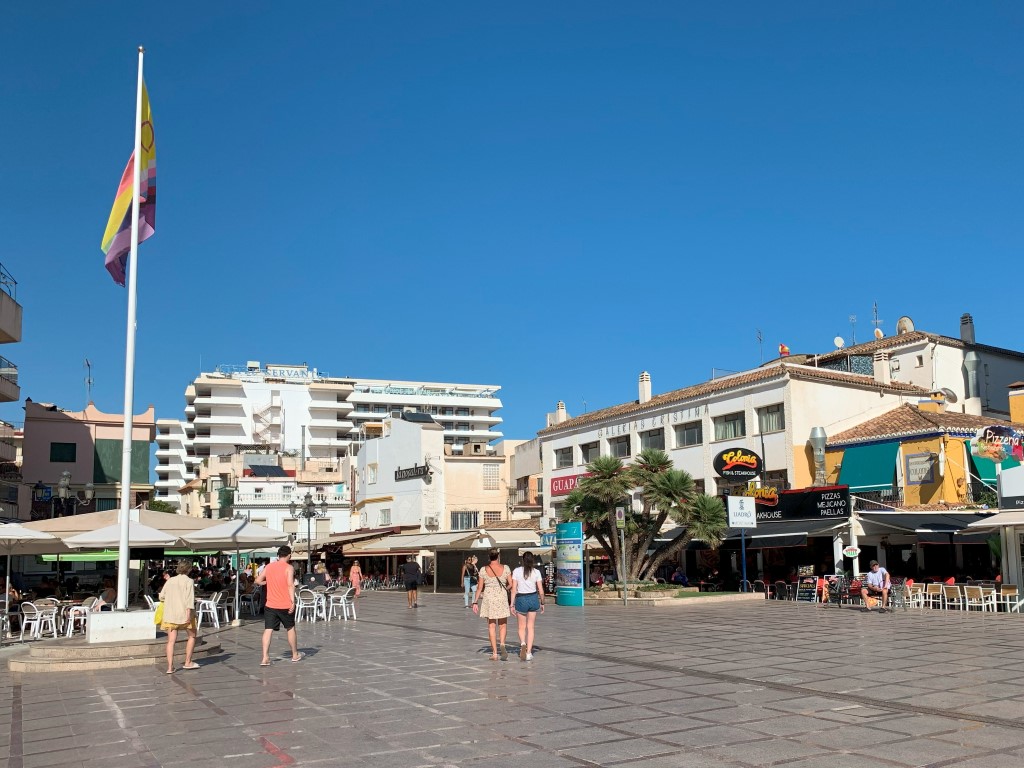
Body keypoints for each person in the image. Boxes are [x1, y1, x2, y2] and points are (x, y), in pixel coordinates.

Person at [255, 546, 303, 666]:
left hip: (270, 604)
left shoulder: (269, 566)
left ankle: (265, 657)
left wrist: (267, 582)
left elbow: (257, 581)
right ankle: (294, 654)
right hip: (284, 604)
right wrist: (293, 601)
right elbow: (290, 585)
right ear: (289, 555)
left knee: (268, 629)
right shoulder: (289, 567)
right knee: (290, 628)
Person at [159, 560, 200, 674]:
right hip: (185, 613)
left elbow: (162, 596)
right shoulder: (189, 581)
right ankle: (188, 661)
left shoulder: (170, 580)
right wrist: (188, 615)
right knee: (192, 636)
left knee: (171, 641)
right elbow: (189, 599)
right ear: (189, 569)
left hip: (171, 614)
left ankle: (170, 667)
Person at [472, 549, 511, 661]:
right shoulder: (506, 568)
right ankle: (502, 644)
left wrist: (475, 602)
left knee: (491, 626)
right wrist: (504, 589)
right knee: (503, 624)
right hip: (501, 597)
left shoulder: (483, 570)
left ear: (489, 557)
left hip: (489, 598)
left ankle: (494, 653)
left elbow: (480, 587)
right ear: (498, 556)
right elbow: (511, 584)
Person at [510, 551, 545, 661]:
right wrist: (542, 602)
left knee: (521, 627)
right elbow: (541, 590)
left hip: (521, 599)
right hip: (533, 598)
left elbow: (514, 589)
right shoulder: (536, 572)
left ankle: (523, 643)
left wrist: (511, 604)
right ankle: (529, 652)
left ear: (522, 560)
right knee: (531, 627)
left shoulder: (516, 571)